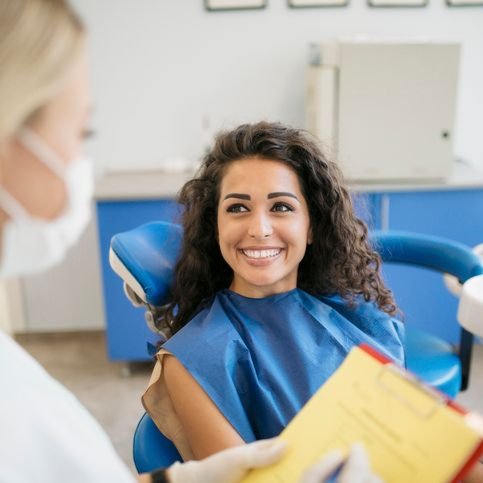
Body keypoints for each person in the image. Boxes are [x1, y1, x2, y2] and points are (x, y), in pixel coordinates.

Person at [142, 121, 405, 460]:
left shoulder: (358, 315)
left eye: (281, 206)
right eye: (238, 208)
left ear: (311, 226)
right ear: (215, 226)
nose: (259, 229)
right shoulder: (193, 360)